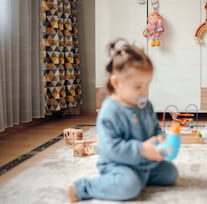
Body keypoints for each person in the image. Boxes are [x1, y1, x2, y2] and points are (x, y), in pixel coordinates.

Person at [67, 39, 178, 202]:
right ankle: (84, 187)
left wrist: (160, 140)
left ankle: (139, 178)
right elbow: (111, 148)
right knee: (127, 187)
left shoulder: (146, 105)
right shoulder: (110, 111)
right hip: (118, 164)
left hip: (144, 160)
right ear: (116, 82)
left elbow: (153, 128)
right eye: (138, 86)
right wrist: (141, 150)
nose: (144, 91)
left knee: (170, 174)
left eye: (148, 85)